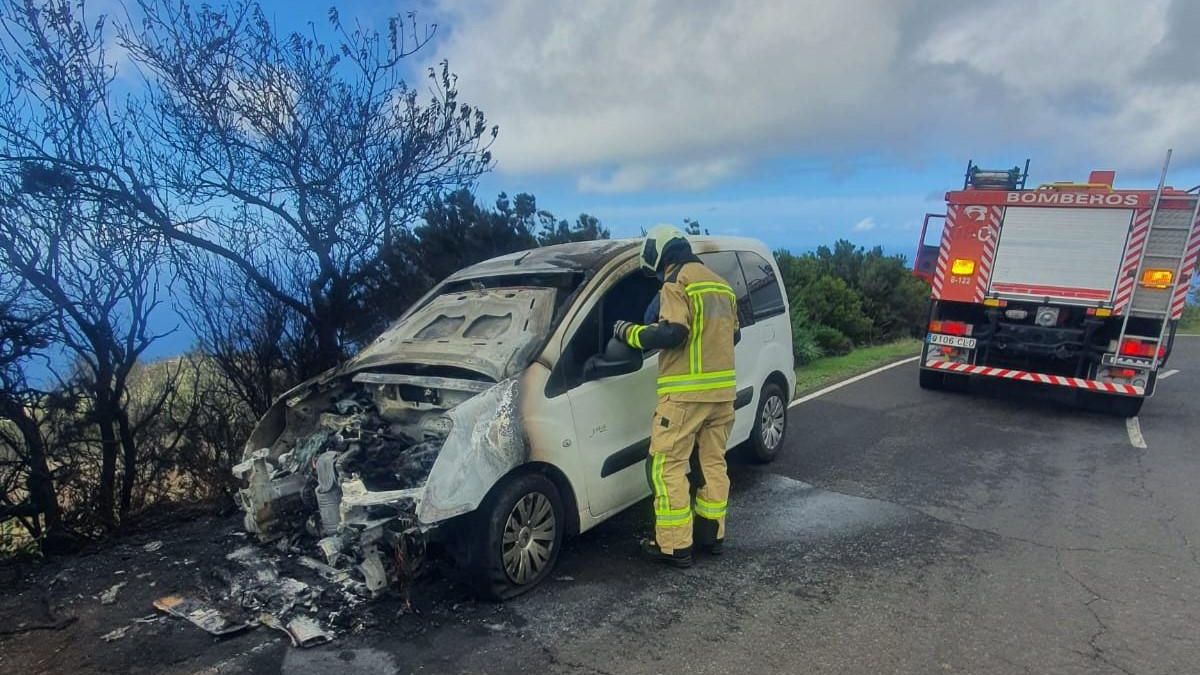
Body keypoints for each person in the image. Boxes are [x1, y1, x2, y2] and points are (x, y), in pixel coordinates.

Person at [613, 225, 739, 567]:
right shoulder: (721, 285)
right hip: (722, 395)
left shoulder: (676, 282)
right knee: (712, 463)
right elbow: (734, 336)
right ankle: (712, 535)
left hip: (685, 395)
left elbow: (674, 332)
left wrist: (631, 333)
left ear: (659, 254)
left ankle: (674, 545)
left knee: (665, 466)